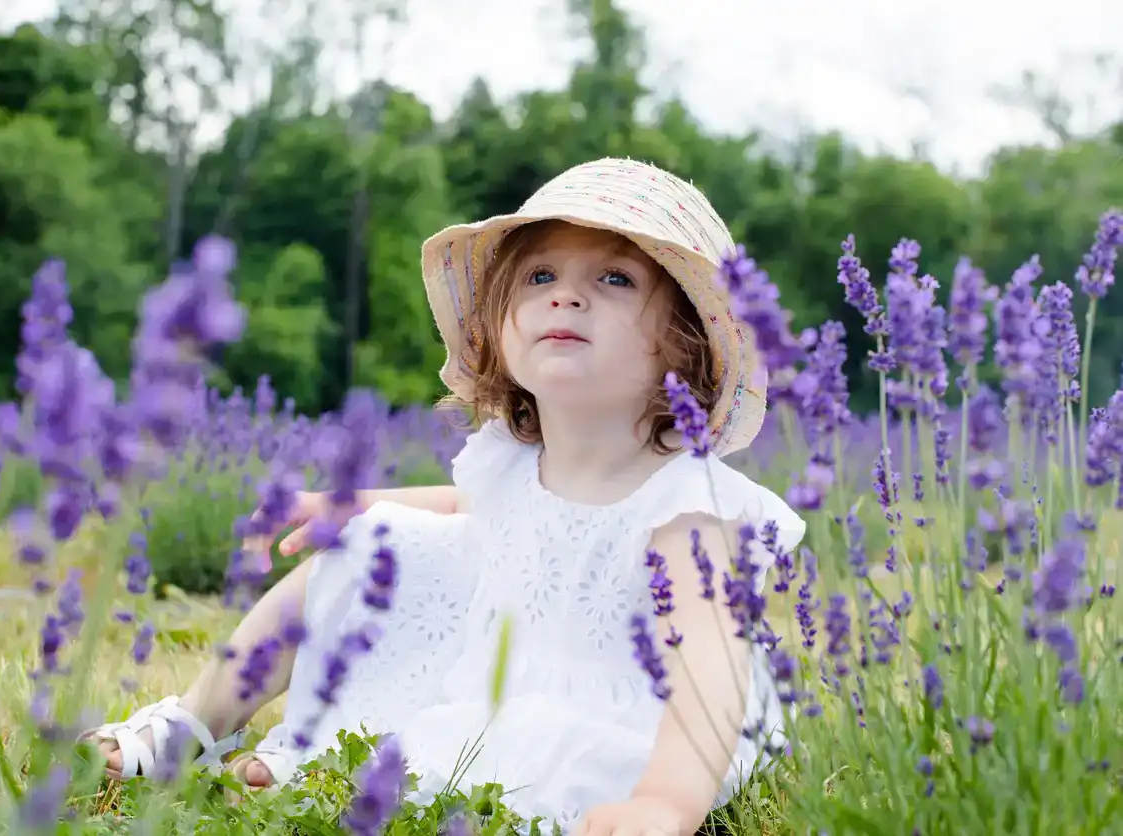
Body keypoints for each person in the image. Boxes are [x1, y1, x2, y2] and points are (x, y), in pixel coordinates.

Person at [79, 158, 805, 835]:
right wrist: (358, 504)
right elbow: (482, 514)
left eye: (615, 279)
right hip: (499, 657)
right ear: (499, 328)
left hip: (633, 717)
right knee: (373, 544)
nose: (567, 293)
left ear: (682, 342)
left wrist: (664, 802)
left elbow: (711, 673)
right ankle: (197, 721)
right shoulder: (512, 462)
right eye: (539, 274)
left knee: (494, 757)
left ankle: (329, 766)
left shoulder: (686, 507)